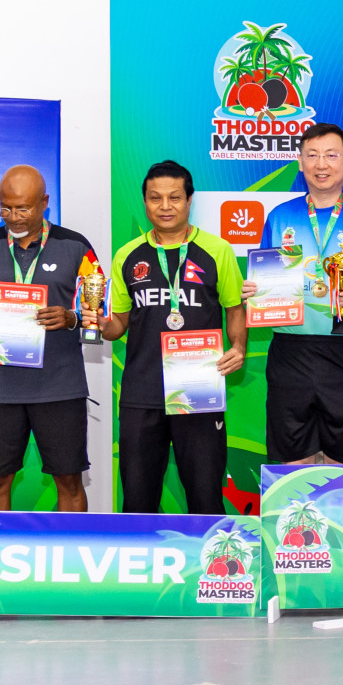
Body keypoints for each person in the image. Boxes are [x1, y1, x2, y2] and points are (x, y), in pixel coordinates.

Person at [93, 160, 246, 513]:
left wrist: (237, 346)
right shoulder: (127, 255)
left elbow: (234, 308)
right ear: (144, 202)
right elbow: (118, 322)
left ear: (189, 200)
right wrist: (99, 325)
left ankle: (216, 564)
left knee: (206, 495)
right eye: (155, 198)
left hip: (199, 390)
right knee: (137, 498)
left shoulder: (217, 250)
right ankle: (139, 564)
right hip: (142, 392)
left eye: (174, 197)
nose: (165, 206)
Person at [0, 165, 102, 511]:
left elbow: (99, 316)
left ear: (45, 203)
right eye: (5, 208)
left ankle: (73, 559)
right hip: (1, 389)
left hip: (60, 387)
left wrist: (71, 318)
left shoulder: (76, 247)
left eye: (23, 208)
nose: (13, 217)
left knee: (69, 481)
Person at [241, 123, 343, 464]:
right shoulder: (280, 216)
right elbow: (266, 278)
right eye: (312, 155)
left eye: (331, 155)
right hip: (290, 354)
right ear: (300, 162)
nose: (321, 164)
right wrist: (255, 290)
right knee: (292, 463)